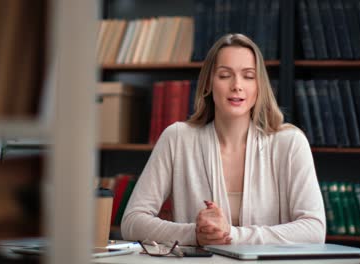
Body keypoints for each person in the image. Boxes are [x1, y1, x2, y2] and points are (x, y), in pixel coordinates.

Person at [121, 33, 326, 246]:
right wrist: (195, 234)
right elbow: (132, 222)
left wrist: (231, 235)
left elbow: (314, 230)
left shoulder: (290, 143)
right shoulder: (177, 138)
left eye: (248, 76)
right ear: (209, 83)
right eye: (225, 75)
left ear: (259, 86)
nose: (237, 85)